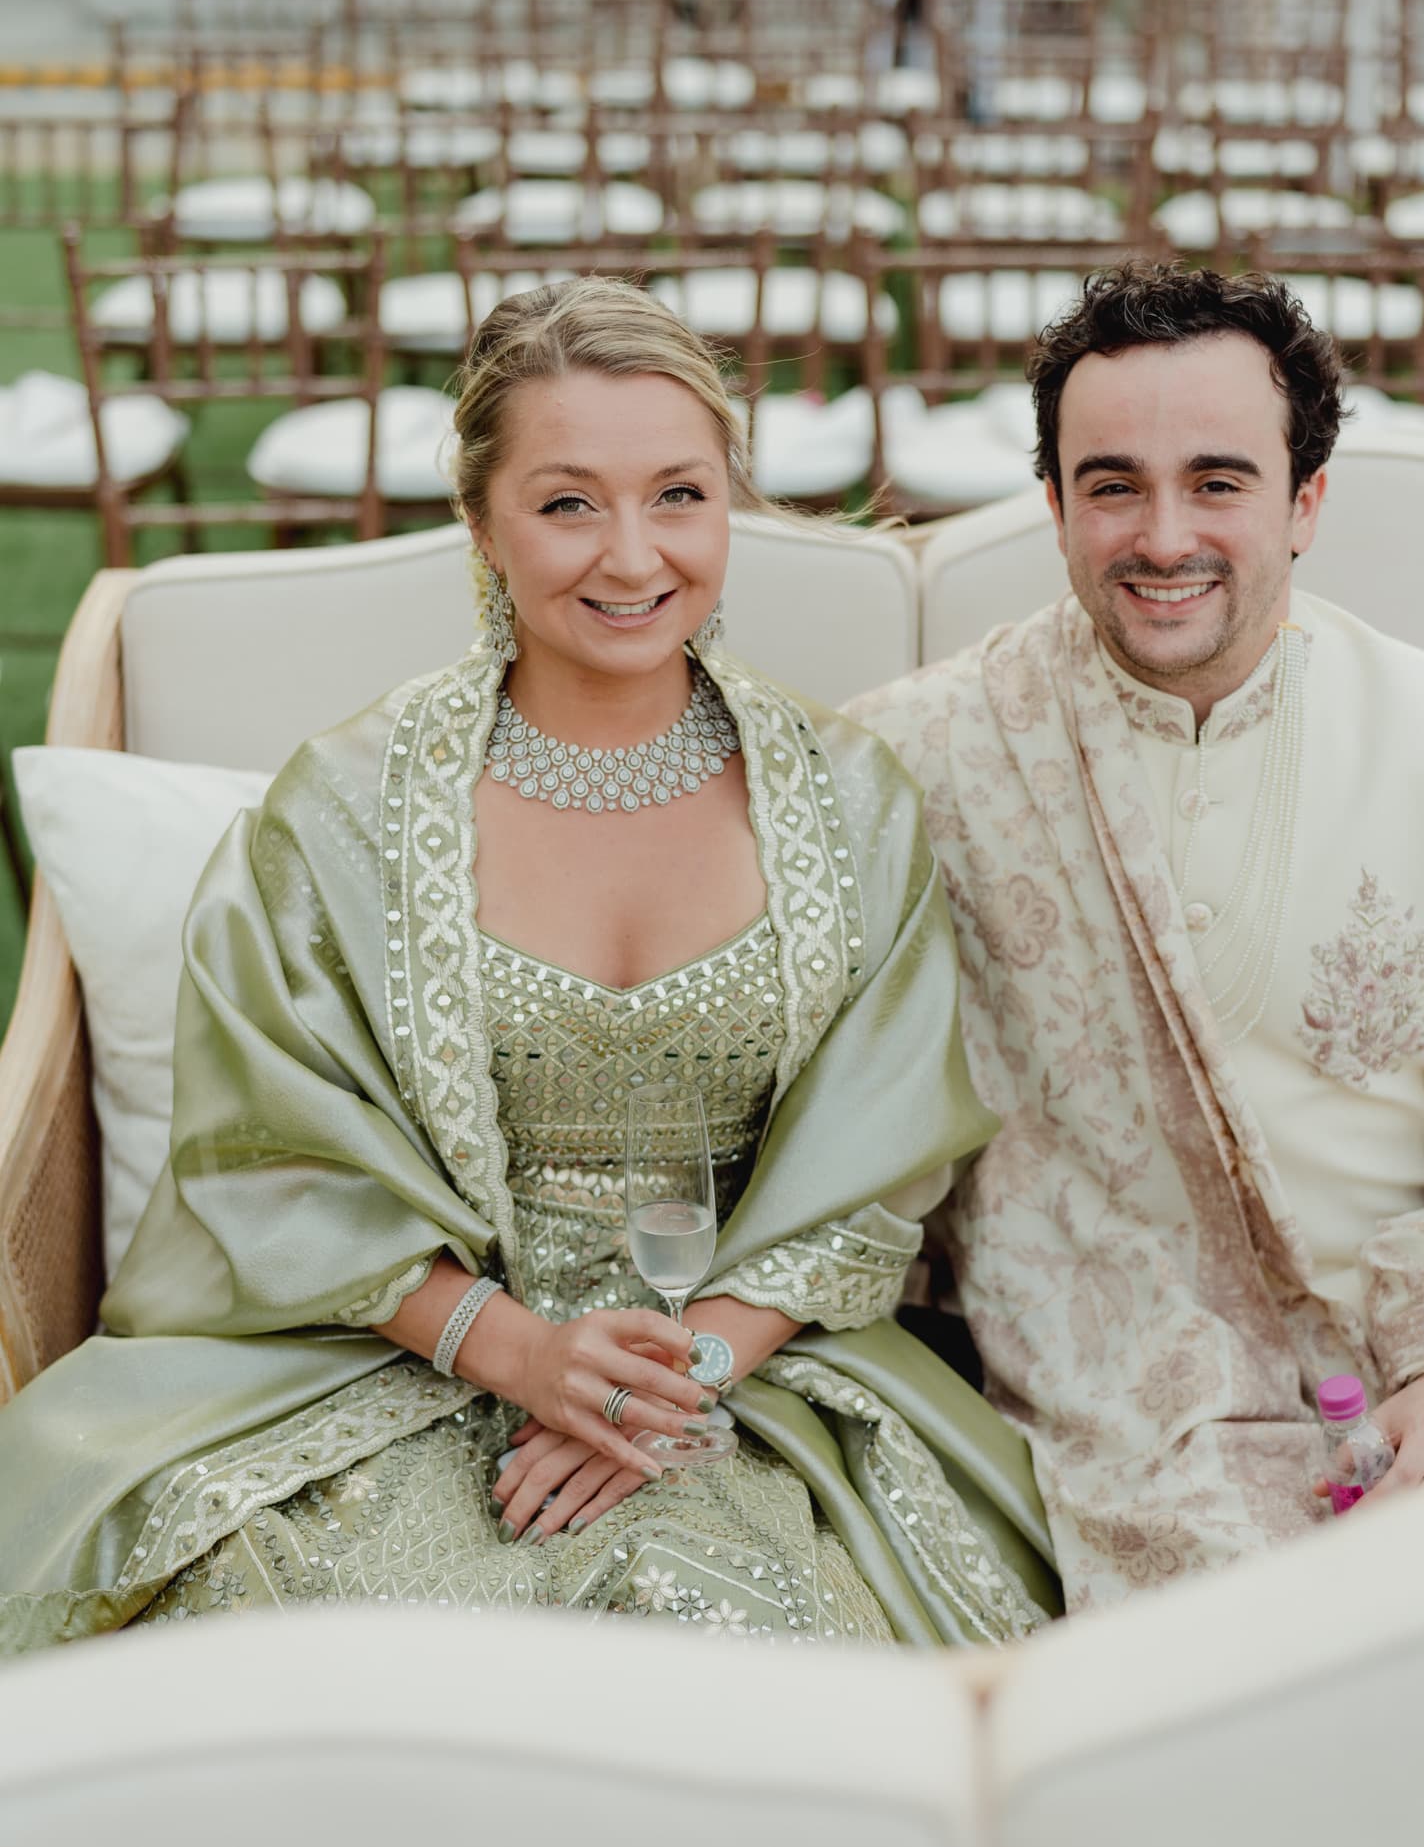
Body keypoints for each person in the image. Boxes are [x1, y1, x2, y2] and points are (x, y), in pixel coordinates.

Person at [0, 279, 1057, 1653]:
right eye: (568, 503)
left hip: (750, 1363)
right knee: (314, 1631)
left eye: (678, 494)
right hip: (401, 1356)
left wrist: (677, 1377)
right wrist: (518, 1351)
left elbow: (885, 1148)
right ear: (483, 524)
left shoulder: (849, 799)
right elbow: (272, 1152)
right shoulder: (344, 808)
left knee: (751, 1626)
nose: (632, 557)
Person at [847, 262, 1424, 1613]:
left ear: (1306, 500)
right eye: (1113, 486)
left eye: (1218, 481)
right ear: (1053, 505)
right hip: (1111, 1386)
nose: (1165, 536)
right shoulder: (920, 756)